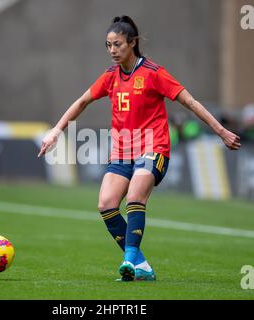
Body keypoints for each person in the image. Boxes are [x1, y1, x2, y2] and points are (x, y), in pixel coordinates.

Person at [38, 15, 241, 281]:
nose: (112, 50)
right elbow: (81, 102)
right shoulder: (110, 76)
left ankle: (129, 260)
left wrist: (221, 131)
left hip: (153, 148)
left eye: (118, 44)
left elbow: (189, 102)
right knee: (106, 204)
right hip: (122, 151)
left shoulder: (154, 73)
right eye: (108, 45)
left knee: (135, 196)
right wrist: (56, 130)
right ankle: (141, 264)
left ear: (132, 43)